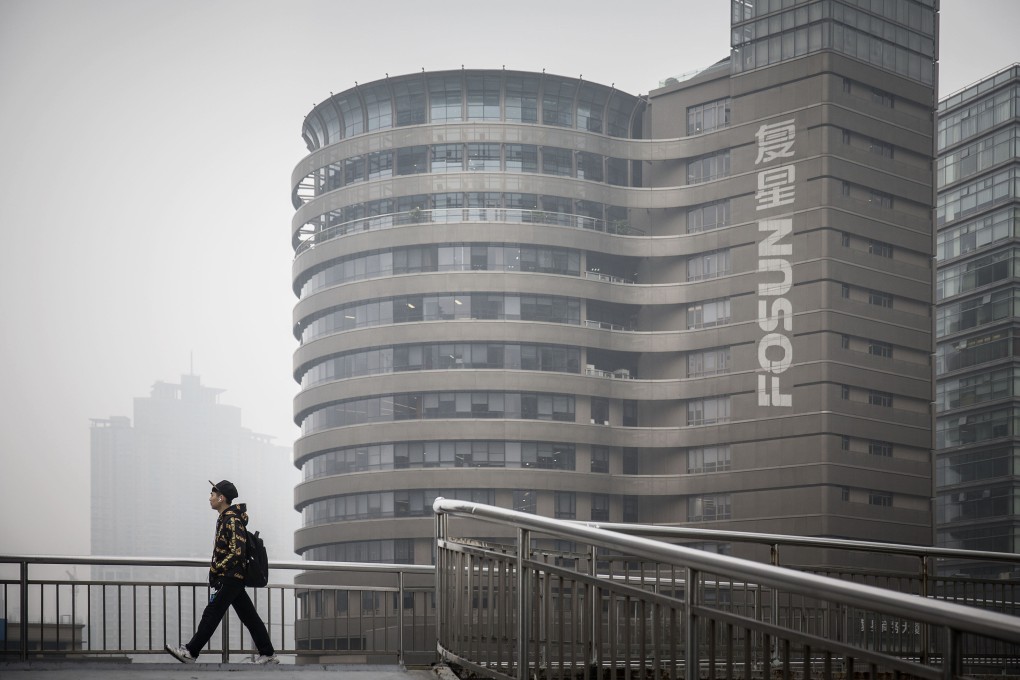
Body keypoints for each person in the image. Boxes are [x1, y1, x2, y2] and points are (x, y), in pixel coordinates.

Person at [165, 479, 278, 664]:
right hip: (232, 577)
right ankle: (268, 654)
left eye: (212, 495)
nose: (210, 498)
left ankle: (191, 652)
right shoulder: (226, 518)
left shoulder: (232, 520)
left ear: (221, 497)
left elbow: (237, 552)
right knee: (249, 617)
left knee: (212, 613)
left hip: (231, 577)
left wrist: (217, 568)